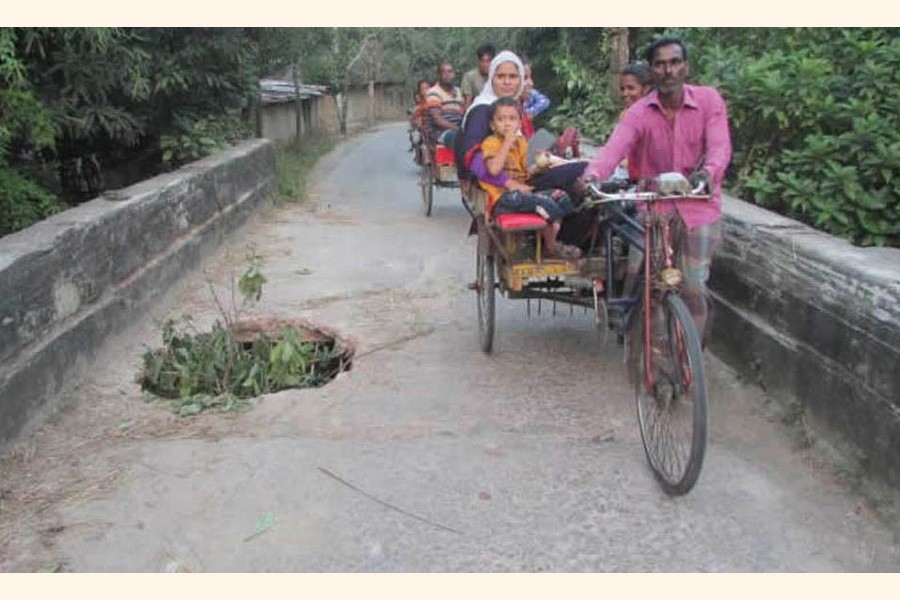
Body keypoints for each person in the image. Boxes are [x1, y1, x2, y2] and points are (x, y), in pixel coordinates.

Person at [580, 37, 732, 339]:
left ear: (685, 67)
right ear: (652, 71)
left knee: (694, 287)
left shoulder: (708, 101)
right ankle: (650, 354)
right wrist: (592, 176)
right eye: (661, 64)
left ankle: (690, 356)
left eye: (675, 62)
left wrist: (708, 173)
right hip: (654, 207)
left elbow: (720, 147)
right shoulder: (640, 112)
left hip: (698, 207)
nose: (669, 70)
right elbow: (614, 148)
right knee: (646, 284)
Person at [475, 97, 581, 259]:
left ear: (519, 124)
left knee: (561, 197)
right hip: (501, 198)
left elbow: (526, 174)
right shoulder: (491, 142)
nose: (507, 124)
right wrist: (506, 144)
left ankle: (549, 241)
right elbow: (494, 170)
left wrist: (540, 166)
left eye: (512, 119)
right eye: (501, 119)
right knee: (544, 202)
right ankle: (553, 248)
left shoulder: (521, 143)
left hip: (521, 193)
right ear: (492, 125)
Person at [424, 61, 465, 148]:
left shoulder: (459, 91)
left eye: (450, 71)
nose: (447, 75)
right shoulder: (433, 93)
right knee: (459, 139)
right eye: (444, 72)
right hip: (440, 133)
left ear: (454, 74)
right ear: (439, 75)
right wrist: (458, 129)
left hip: (457, 129)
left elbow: (463, 113)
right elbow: (437, 120)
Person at [519, 58, 551, 139]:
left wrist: (529, 112)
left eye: (530, 77)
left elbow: (545, 101)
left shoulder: (522, 115)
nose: (531, 83)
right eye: (525, 78)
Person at [461, 44, 495, 109]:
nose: (485, 64)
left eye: (488, 61)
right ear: (478, 61)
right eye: (482, 61)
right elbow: (467, 100)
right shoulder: (469, 76)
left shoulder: (497, 76)